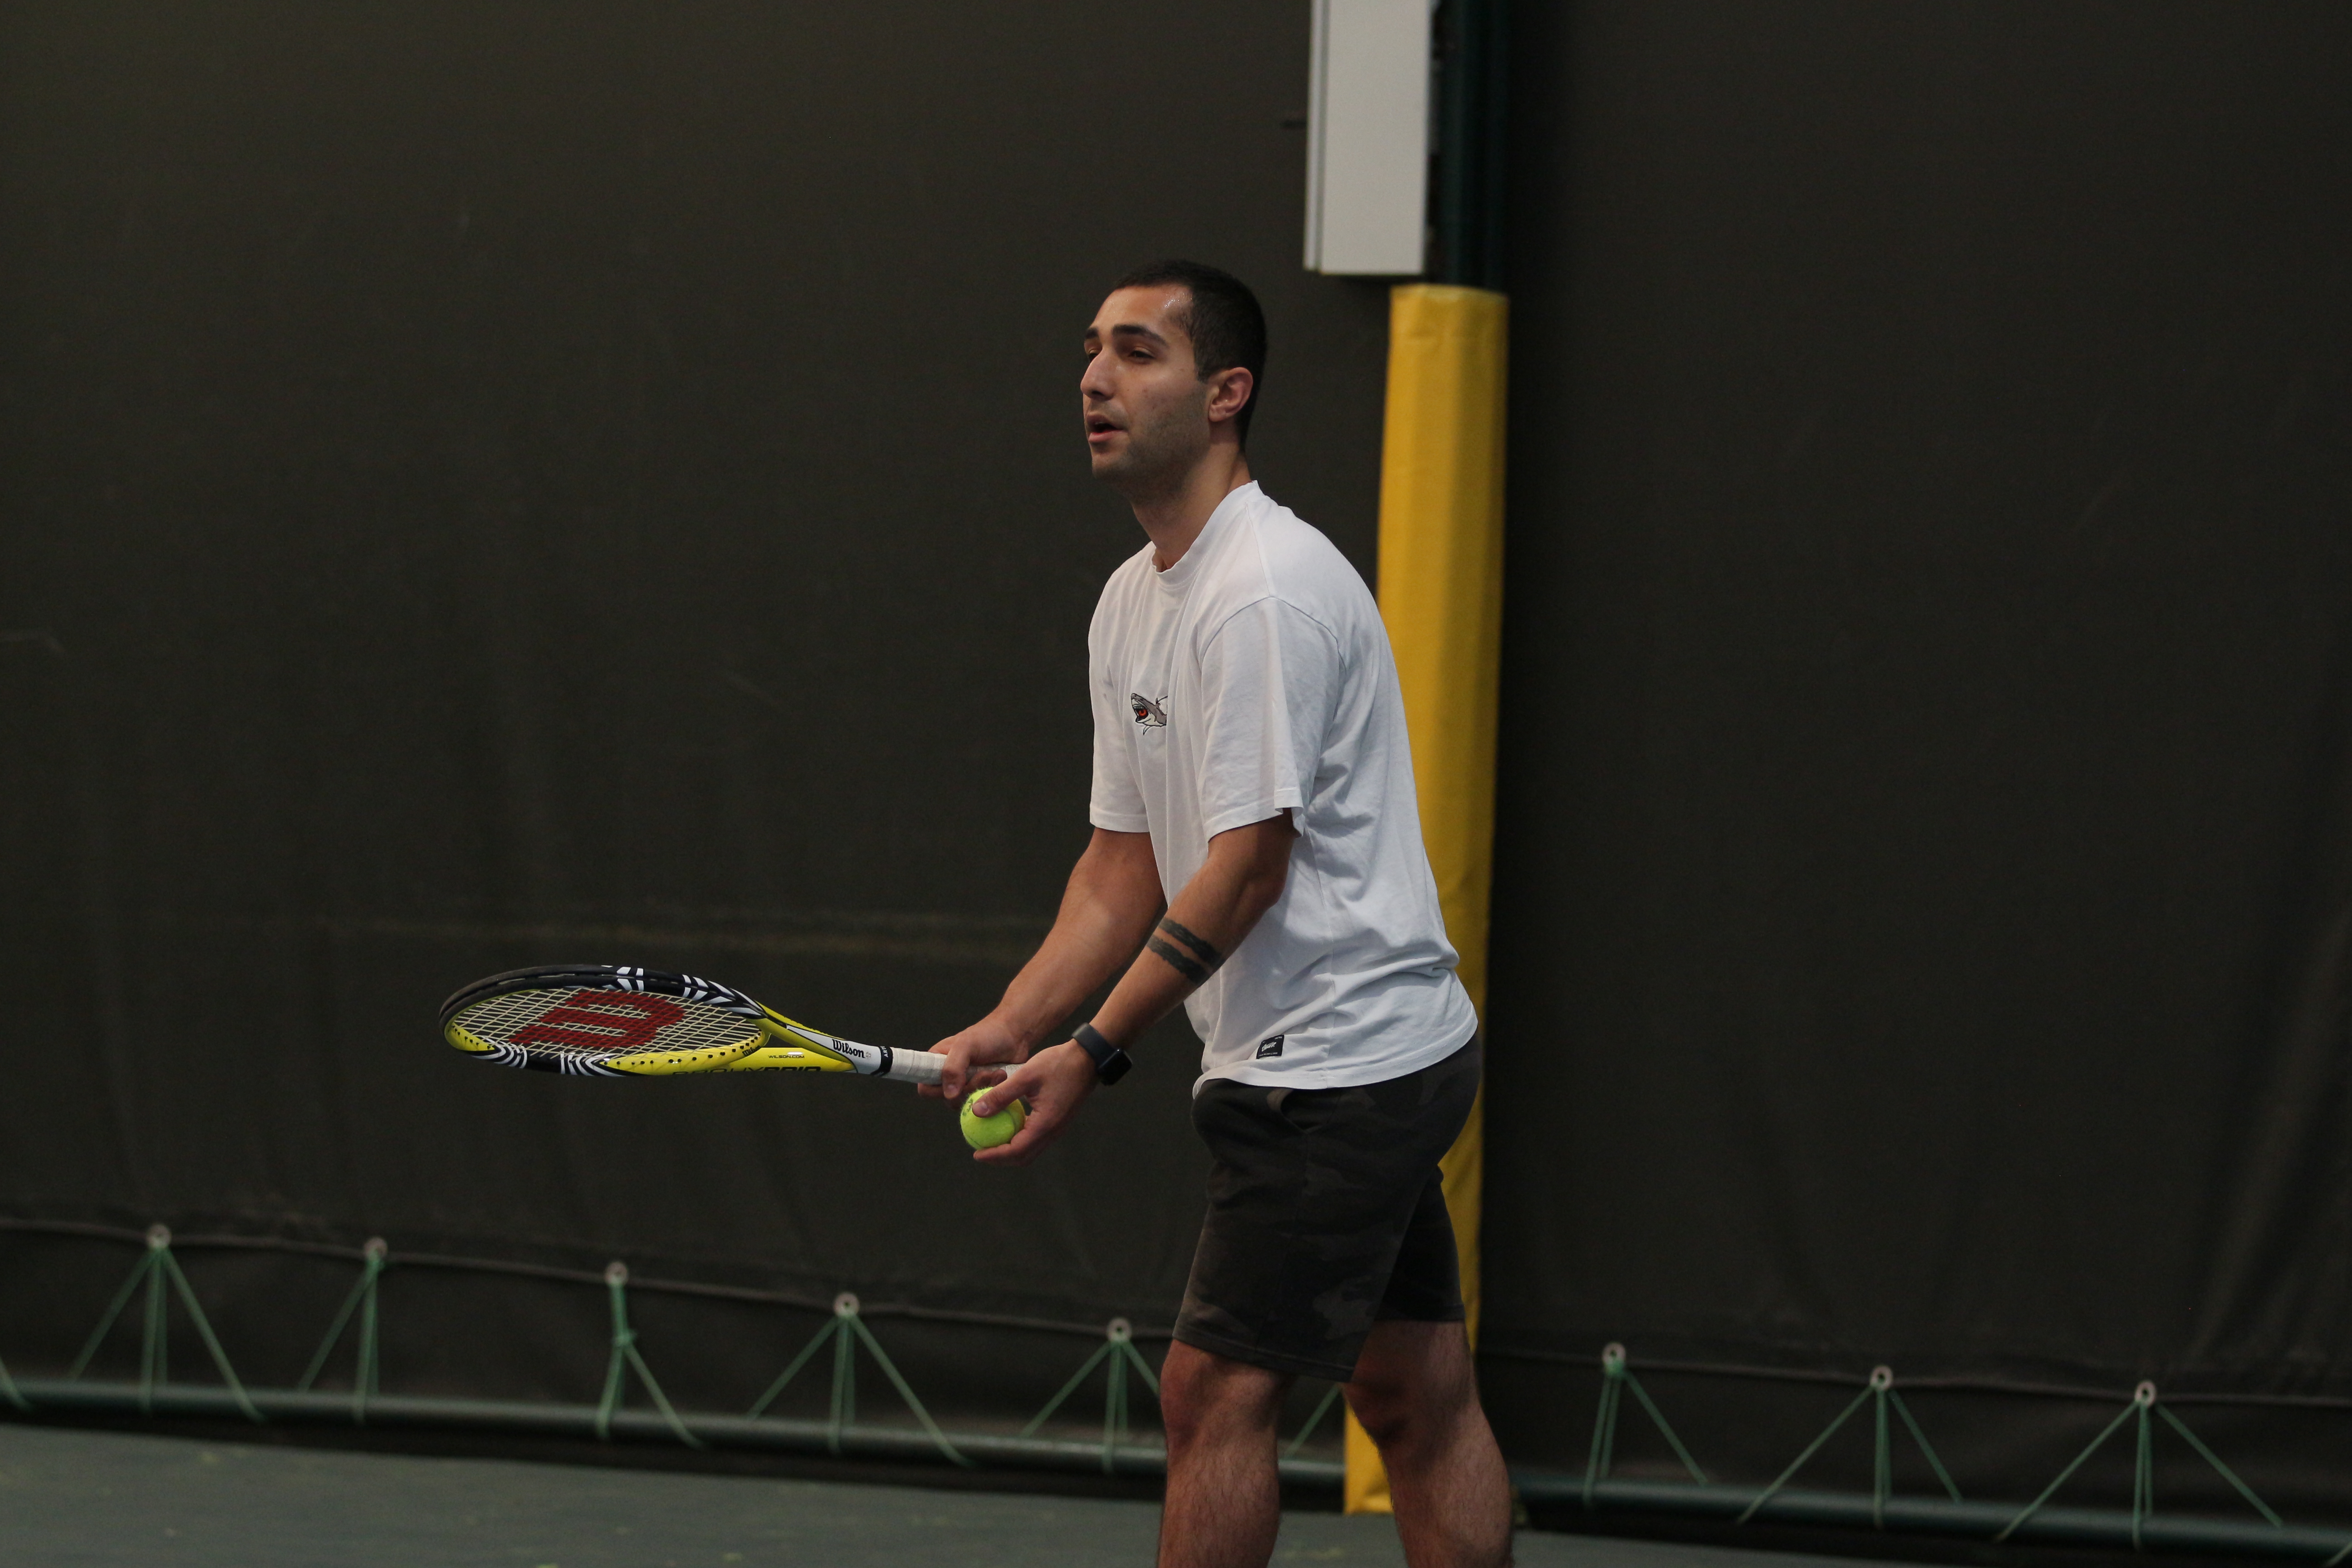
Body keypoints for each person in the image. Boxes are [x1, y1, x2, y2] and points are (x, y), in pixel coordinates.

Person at [926, 260, 1513, 1568]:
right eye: (1092, 350)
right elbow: (1121, 866)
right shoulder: (1134, 600)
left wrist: (1091, 1052)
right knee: (1411, 1392)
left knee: (1212, 1396)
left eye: (1139, 352)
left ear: (1227, 393)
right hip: (1341, 1052)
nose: (1096, 378)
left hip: (1341, 1066)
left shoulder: (1263, 590)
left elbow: (1247, 867)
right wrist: (1014, 1024)